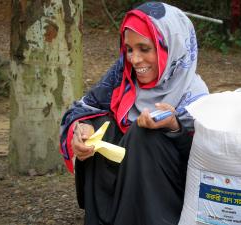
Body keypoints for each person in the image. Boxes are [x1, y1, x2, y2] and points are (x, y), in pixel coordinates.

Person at [59, 2, 209, 225]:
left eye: (145, 49)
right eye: (129, 49)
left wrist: (174, 127)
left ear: (172, 46)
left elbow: (205, 163)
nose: (134, 59)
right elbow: (82, 109)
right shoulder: (122, 75)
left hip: (167, 194)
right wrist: (81, 131)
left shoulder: (195, 96)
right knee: (101, 125)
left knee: (144, 133)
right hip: (123, 182)